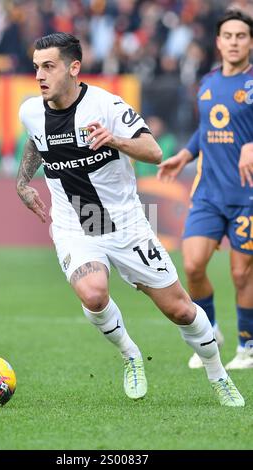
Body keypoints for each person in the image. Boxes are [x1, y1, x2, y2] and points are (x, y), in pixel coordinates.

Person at [16, 32, 244, 406]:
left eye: (49, 66)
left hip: (126, 225)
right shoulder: (31, 110)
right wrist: (23, 181)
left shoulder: (107, 106)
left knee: (181, 309)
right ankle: (130, 354)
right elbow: (35, 139)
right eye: (37, 67)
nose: (40, 75)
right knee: (93, 293)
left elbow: (153, 151)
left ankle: (217, 374)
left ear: (74, 68)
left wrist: (114, 140)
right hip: (75, 225)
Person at [158, 9, 253, 370]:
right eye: (227, 35)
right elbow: (207, 130)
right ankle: (210, 332)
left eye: (241, 36)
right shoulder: (208, 83)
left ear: (250, 42)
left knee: (242, 273)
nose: (233, 41)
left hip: (247, 196)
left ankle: (248, 346)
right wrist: (184, 154)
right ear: (218, 42)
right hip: (208, 194)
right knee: (193, 264)